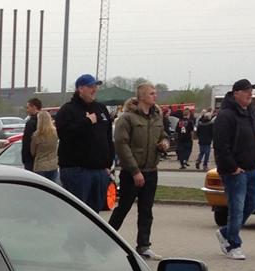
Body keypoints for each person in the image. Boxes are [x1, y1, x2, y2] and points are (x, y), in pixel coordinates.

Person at [109, 82, 169, 260]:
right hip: (132, 172)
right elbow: (121, 145)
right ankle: (107, 240)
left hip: (151, 170)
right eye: (151, 93)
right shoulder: (127, 118)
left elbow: (163, 135)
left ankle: (144, 245)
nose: (155, 96)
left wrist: (164, 143)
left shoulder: (156, 116)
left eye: (155, 93)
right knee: (124, 207)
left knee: (146, 210)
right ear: (141, 96)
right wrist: (135, 171)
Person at [213, 79, 255, 260]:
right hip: (235, 171)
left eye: (251, 90)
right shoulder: (226, 115)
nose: (250, 94)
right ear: (236, 93)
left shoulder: (251, 112)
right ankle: (233, 244)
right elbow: (220, 144)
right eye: (246, 91)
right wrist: (232, 167)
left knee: (253, 203)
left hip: (252, 168)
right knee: (237, 208)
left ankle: (226, 232)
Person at [54, 73, 116, 209]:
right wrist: (86, 122)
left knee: (95, 215)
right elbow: (64, 134)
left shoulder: (101, 108)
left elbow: (108, 138)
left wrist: (108, 164)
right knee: (78, 214)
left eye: (95, 86)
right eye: (90, 86)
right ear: (80, 89)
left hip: (100, 171)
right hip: (77, 171)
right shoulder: (68, 110)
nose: (94, 90)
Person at [30, 108, 60, 182]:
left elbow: (32, 152)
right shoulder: (55, 132)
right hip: (53, 164)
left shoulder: (36, 135)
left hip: (40, 166)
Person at [21, 98, 43, 172]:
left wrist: (25, 158)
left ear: (34, 107)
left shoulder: (31, 123)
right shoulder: (47, 122)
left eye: (28, 107)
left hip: (31, 160)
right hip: (46, 161)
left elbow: (27, 142)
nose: (27, 110)